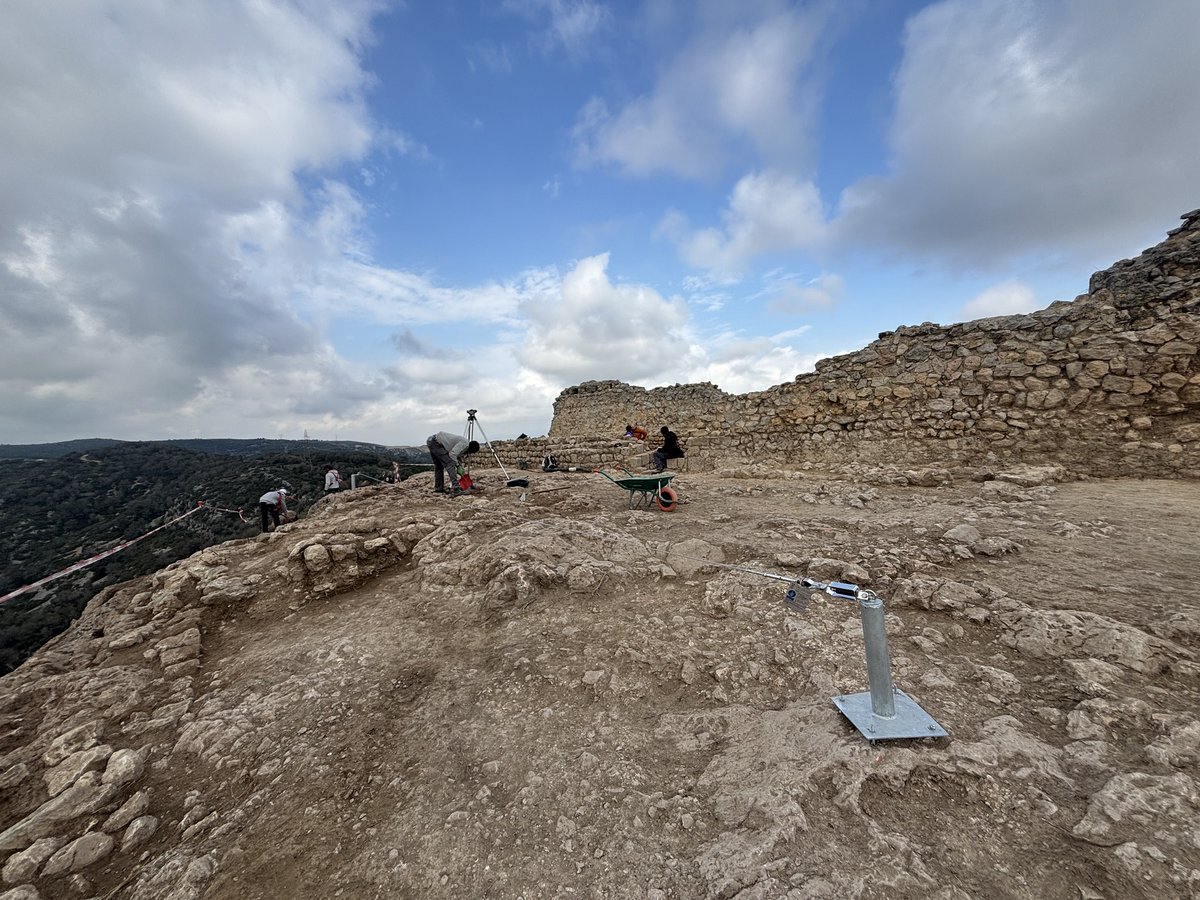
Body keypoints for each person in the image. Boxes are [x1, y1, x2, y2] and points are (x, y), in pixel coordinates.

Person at [425, 431, 480, 495]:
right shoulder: (464, 444)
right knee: (450, 463)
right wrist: (457, 466)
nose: (470, 454)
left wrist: (461, 468)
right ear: (471, 449)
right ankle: (455, 489)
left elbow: (458, 457)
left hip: (432, 441)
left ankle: (438, 488)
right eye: (472, 452)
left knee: (439, 466)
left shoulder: (464, 446)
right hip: (436, 443)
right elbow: (452, 454)